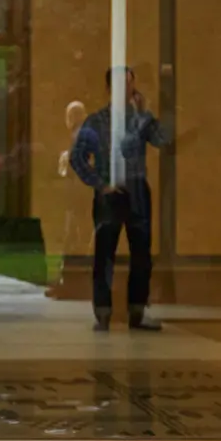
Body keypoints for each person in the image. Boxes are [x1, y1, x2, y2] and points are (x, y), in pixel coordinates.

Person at [71, 67, 169, 332]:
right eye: (121, 85)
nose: (127, 91)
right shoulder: (96, 122)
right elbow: (77, 158)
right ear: (109, 89)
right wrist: (100, 185)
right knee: (104, 253)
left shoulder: (139, 119)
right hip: (109, 193)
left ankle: (137, 311)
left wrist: (145, 114)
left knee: (142, 254)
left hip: (136, 189)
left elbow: (162, 140)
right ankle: (102, 312)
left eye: (130, 85)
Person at [47, 101, 88, 298]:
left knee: (72, 239)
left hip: (78, 198)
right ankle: (69, 282)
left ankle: (70, 283)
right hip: (78, 198)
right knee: (72, 238)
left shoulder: (80, 137)